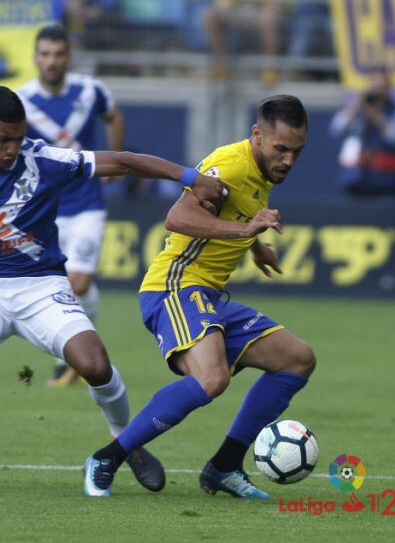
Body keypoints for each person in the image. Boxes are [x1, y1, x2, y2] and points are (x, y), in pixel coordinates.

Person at [0, 86, 226, 492]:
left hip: (42, 287)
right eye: (4, 139)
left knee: (95, 363)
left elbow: (122, 161)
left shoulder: (44, 159)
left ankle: (126, 443)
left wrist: (189, 177)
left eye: (19, 138)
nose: (14, 148)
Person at [83, 94, 316, 499]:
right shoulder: (231, 165)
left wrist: (254, 246)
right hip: (174, 285)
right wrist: (246, 233)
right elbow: (179, 217)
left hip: (210, 296)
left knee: (297, 360)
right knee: (212, 378)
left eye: (297, 151)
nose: (289, 161)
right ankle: (108, 456)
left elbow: (234, 212)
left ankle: (224, 467)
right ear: (257, 135)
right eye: (281, 149)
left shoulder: (262, 172)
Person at [16, 25, 125, 387]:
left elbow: (114, 115)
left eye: (58, 54)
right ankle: (79, 354)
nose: (51, 61)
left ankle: (76, 359)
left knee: (77, 281)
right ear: (35, 57)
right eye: (45, 54)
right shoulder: (22, 100)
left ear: (68, 57)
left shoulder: (91, 89)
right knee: (58, 285)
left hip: (87, 203)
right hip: (45, 209)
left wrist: (115, 164)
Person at [329, 66, 395, 197]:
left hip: (385, 183)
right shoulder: (356, 110)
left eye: (381, 86)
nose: (377, 90)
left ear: (388, 88)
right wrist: (357, 105)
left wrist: (376, 115)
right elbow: (336, 129)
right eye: (374, 85)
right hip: (354, 181)